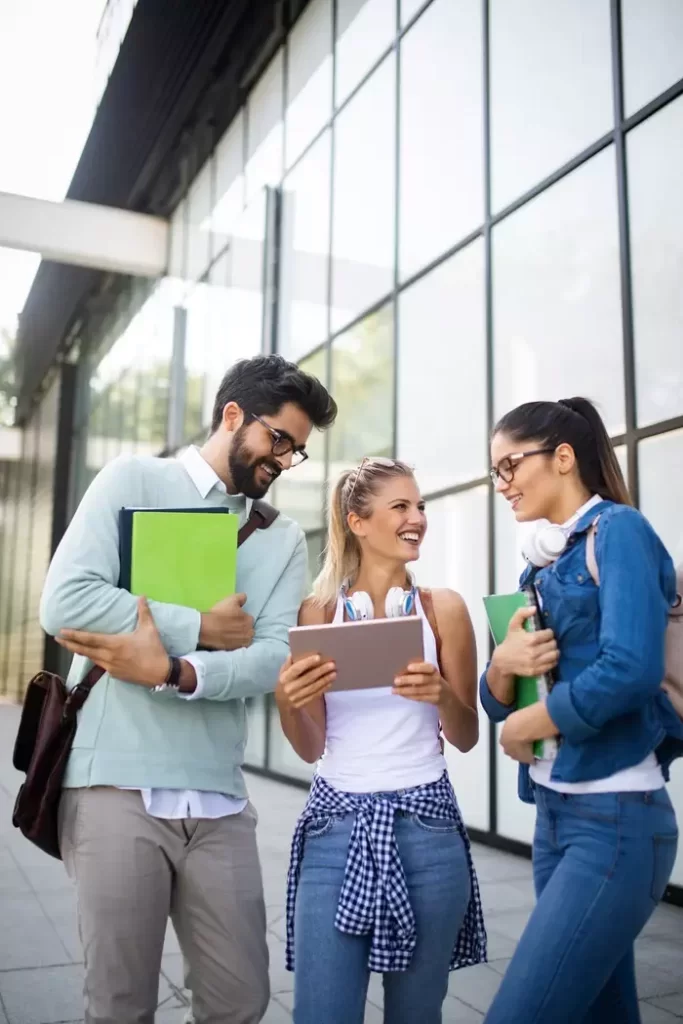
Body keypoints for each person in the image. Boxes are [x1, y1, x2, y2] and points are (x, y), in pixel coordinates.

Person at [42, 354, 337, 1024]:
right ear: (233, 414)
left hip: (218, 797)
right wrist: (198, 625)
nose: (284, 460)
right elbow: (65, 602)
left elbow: (268, 658)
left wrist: (177, 669)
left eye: (297, 450)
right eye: (278, 440)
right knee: (119, 1004)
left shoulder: (282, 537)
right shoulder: (134, 478)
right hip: (114, 783)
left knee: (240, 999)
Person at [480, 397, 683, 1024]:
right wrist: (504, 666)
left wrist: (533, 723)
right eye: (496, 472)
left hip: (615, 818)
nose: (503, 483)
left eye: (511, 464)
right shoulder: (539, 564)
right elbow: (497, 704)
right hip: (554, 816)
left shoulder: (619, 531)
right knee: (604, 1014)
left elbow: (631, 668)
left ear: (563, 457)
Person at [276, 457, 487, 1024]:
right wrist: (287, 701)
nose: (417, 517)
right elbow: (309, 745)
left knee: (417, 1016)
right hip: (334, 829)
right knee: (322, 1013)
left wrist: (442, 695)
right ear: (358, 522)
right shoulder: (318, 615)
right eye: (401, 506)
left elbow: (465, 736)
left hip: (428, 828)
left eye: (421, 506)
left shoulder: (443, 609)